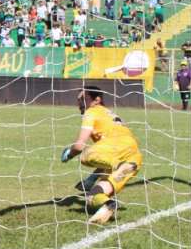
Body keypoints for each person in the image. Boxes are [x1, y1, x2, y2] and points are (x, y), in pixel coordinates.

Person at [60, 86, 143, 225]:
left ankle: (119, 165)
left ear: (97, 100)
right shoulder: (108, 114)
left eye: (83, 99)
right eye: (78, 100)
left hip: (117, 148)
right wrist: (91, 179)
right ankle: (109, 204)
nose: (79, 102)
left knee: (86, 155)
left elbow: (79, 146)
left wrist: (69, 154)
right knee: (92, 197)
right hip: (133, 157)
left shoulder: (91, 111)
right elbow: (106, 159)